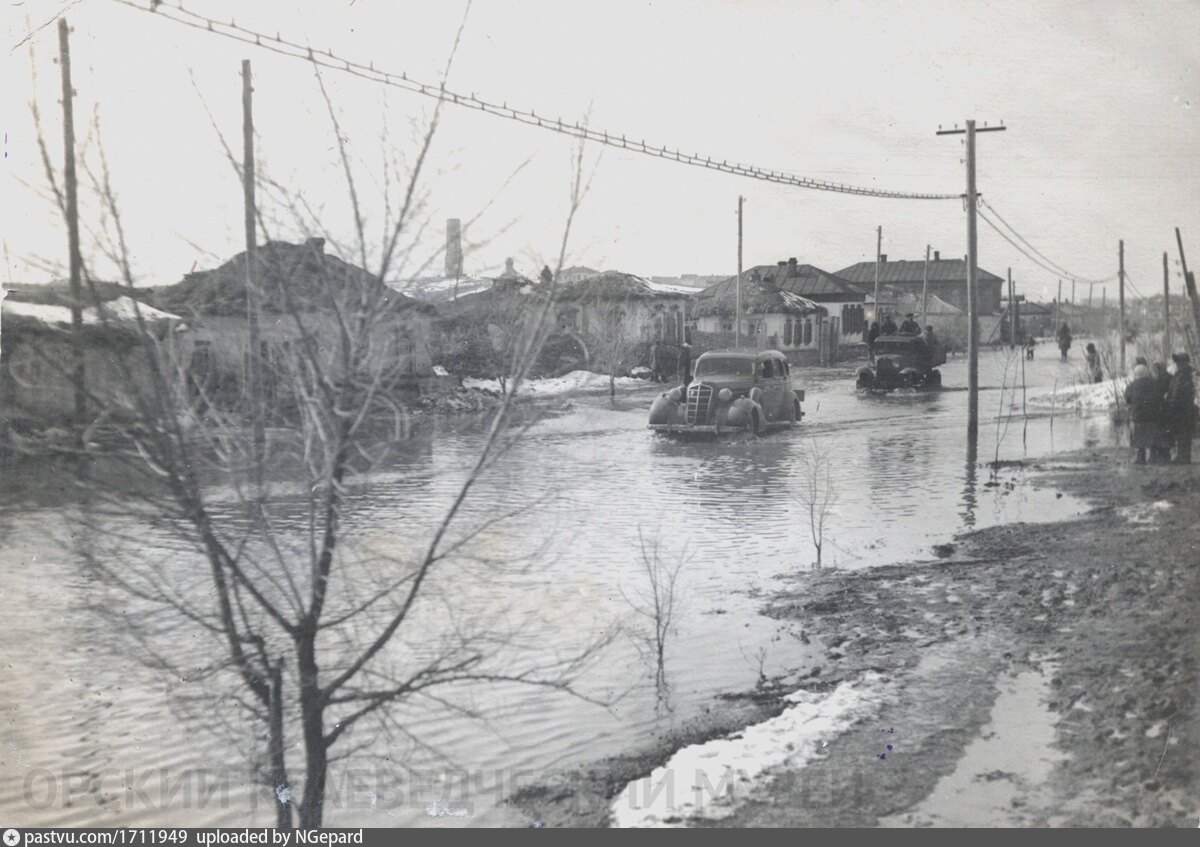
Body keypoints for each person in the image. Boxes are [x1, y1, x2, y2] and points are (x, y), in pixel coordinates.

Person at [1124, 364, 1162, 465]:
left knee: (1138, 439)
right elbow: (1160, 397)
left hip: (1138, 417)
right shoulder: (1154, 383)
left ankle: (1140, 458)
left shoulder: (1132, 385)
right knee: (1152, 437)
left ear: (1136, 374)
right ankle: (1154, 457)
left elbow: (1127, 398)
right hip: (1153, 416)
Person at [1166, 352, 1196, 464]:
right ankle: (1184, 456)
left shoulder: (1181, 376)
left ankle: (1183, 457)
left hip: (1181, 410)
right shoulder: (1184, 374)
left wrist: (1171, 404)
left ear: (1183, 362)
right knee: (1184, 433)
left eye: (1178, 361)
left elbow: (1177, 393)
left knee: (1182, 433)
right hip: (1185, 409)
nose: (1177, 364)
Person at [1151, 361, 1173, 463]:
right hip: (1167, 408)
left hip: (1161, 408)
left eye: (1156, 369)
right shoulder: (1170, 377)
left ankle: (1162, 454)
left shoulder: (1161, 379)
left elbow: (1158, 393)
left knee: (1161, 431)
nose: (1155, 371)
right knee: (1165, 432)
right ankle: (1165, 454)